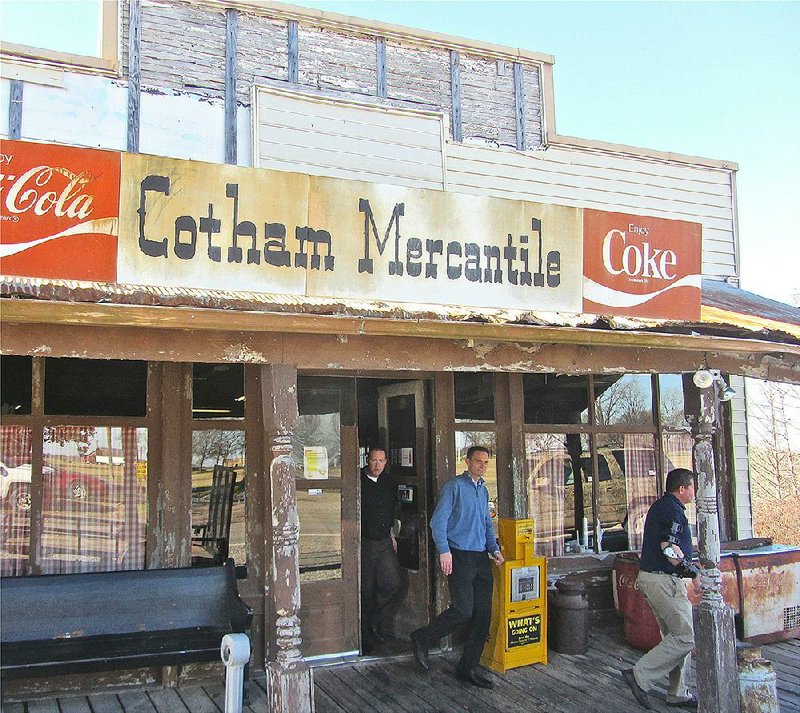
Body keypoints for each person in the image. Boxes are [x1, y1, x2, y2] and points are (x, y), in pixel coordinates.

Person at [410, 446, 504, 689]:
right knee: (463, 610)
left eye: (485, 462)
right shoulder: (454, 487)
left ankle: (467, 668)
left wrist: (494, 549)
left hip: (482, 557)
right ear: (467, 461)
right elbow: (437, 522)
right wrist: (444, 551)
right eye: (478, 461)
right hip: (459, 555)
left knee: (483, 614)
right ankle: (423, 638)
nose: (482, 466)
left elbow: (486, 524)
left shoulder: (483, 491)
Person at [622, 467, 698, 710]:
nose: (694, 492)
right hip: (663, 580)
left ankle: (677, 692)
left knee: (675, 637)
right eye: (692, 487)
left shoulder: (663, 507)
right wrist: (693, 572)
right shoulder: (671, 510)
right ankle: (639, 675)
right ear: (682, 489)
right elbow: (668, 547)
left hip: (657, 578)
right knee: (686, 637)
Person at [360, 447, 401, 653]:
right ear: (368, 460)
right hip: (364, 543)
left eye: (381, 460)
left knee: (392, 583)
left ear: (386, 462)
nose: (377, 464)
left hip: (384, 541)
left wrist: (392, 534)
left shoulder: (389, 482)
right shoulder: (358, 480)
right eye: (374, 460)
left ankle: (375, 622)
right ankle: (365, 635)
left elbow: (393, 509)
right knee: (365, 590)